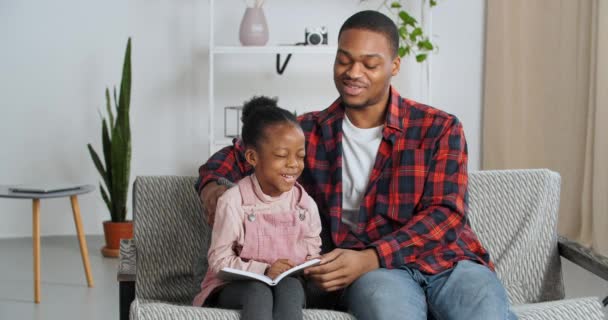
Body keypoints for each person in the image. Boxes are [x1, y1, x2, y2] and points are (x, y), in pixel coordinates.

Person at [197, 10, 516, 320]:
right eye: (344, 60)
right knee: (387, 310)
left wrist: (372, 257)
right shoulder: (309, 132)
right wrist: (214, 185)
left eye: (369, 64)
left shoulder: (440, 128)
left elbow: (446, 214)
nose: (353, 72)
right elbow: (237, 156)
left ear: (394, 66)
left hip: (449, 262)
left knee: (485, 311)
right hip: (380, 277)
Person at [192, 96, 323, 320]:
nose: (293, 164)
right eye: (282, 156)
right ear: (252, 157)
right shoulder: (233, 201)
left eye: (300, 156)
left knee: (291, 288)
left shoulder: (305, 203)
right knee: (258, 292)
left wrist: (308, 266)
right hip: (236, 286)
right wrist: (264, 271)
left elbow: (313, 251)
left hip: (287, 282)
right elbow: (219, 260)